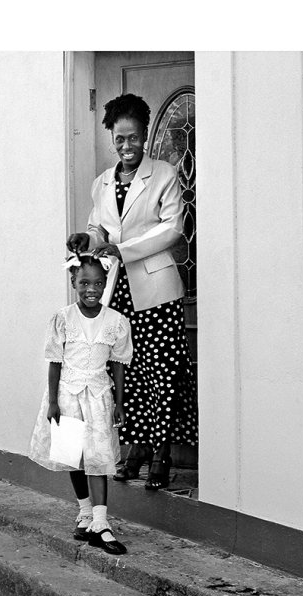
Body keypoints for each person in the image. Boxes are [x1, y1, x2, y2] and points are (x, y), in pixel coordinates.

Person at [67, 93, 198, 491]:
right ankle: (136, 448)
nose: (127, 146)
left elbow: (173, 228)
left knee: (163, 373)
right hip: (118, 291)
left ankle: (162, 453)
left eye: (134, 138)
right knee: (129, 371)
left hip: (157, 290)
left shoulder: (164, 174)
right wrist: (85, 238)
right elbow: (99, 229)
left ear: (145, 135)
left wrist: (122, 249)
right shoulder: (102, 183)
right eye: (120, 139)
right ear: (112, 138)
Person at [29, 254, 132, 554]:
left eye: (98, 283)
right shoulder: (63, 318)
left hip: (99, 397)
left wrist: (120, 404)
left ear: (105, 285)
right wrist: (52, 403)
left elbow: (118, 365)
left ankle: (101, 523)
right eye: (84, 282)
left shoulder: (115, 322)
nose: (91, 289)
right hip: (68, 396)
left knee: (98, 459)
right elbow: (54, 363)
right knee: (74, 457)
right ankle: (85, 512)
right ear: (73, 282)